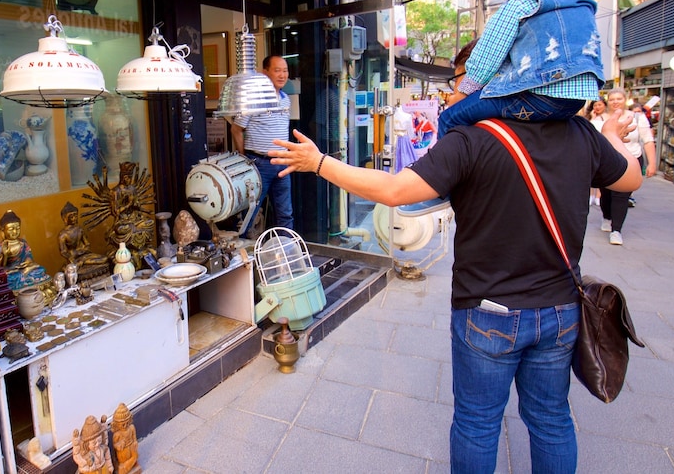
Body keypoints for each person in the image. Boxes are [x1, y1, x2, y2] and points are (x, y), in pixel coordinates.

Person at [269, 78, 641, 472]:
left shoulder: (471, 139)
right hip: (560, 309)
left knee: (478, 423)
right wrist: (613, 135)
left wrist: (319, 163)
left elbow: (395, 190)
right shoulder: (580, 133)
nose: (453, 94)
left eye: (462, 84)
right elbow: (631, 178)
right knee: (551, 419)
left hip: (488, 310)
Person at [437, 0, 602, 137]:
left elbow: (487, 55)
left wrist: (463, 93)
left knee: (451, 117)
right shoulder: (582, 5)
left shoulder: (523, 3)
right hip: (575, 101)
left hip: (534, 95)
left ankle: (446, 169)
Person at [230, 54, 293, 233]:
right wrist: (245, 160)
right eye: (277, 70)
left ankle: (286, 252)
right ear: (265, 73)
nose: (282, 75)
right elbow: (236, 129)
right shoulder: (253, 98)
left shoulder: (285, 99)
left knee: (285, 214)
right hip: (258, 164)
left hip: (282, 163)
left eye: (285, 70)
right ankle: (245, 257)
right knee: (249, 213)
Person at [599, 87, 655, 245]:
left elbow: (648, 140)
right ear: (607, 101)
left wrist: (652, 163)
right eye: (612, 99)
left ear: (625, 100)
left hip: (631, 159)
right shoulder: (600, 118)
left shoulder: (637, 118)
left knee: (621, 195)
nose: (615, 102)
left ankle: (616, 230)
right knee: (606, 194)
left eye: (619, 98)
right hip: (607, 161)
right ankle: (607, 217)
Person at [0, 210, 50, 292]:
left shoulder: (23, 243)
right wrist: (5, 255)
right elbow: (1, 265)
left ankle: (26, 280)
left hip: (24, 268)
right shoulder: (1, 246)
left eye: (18, 228)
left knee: (40, 270)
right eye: (11, 229)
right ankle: (24, 282)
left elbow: (28, 256)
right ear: (3, 230)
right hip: (11, 271)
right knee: (8, 278)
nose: (15, 232)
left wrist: (28, 262)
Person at [587, 99, 609, 205]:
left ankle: (599, 195)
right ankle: (591, 194)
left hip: (604, 147)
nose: (597, 107)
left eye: (599, 105)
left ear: (604, 105)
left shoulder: (608, 117)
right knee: (591, 171)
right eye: (595, 105)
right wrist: (592, 117)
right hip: (591, 147)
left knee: (602, 171)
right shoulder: (589, 118)